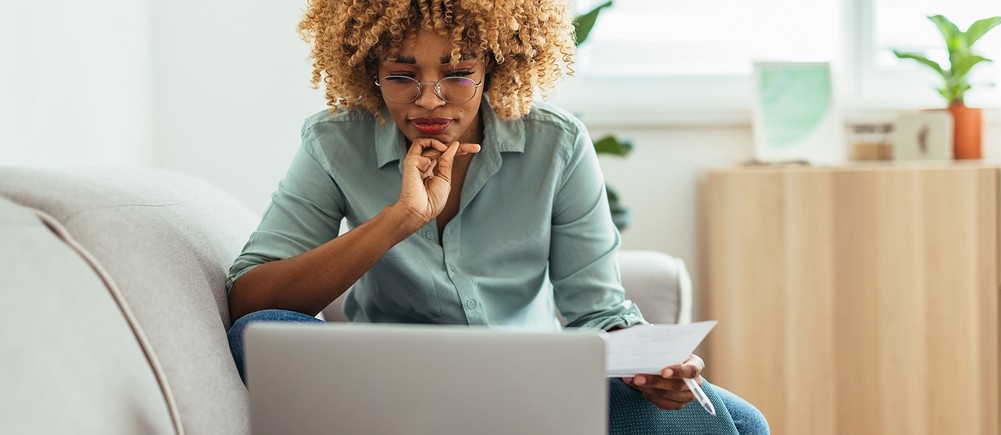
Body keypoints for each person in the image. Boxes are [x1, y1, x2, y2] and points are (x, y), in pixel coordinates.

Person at [225, 0, 768, 433]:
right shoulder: (334, 141)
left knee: (741, 424)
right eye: (402, 76)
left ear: (496, 66)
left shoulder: (555, 143)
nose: (430, 101)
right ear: (370, 71)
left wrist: (652, 367)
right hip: (393, 383)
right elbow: (250, 300)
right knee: (258, 333)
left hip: (532, 386)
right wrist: (401, 217)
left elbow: (598, 313)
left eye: (458, 74)